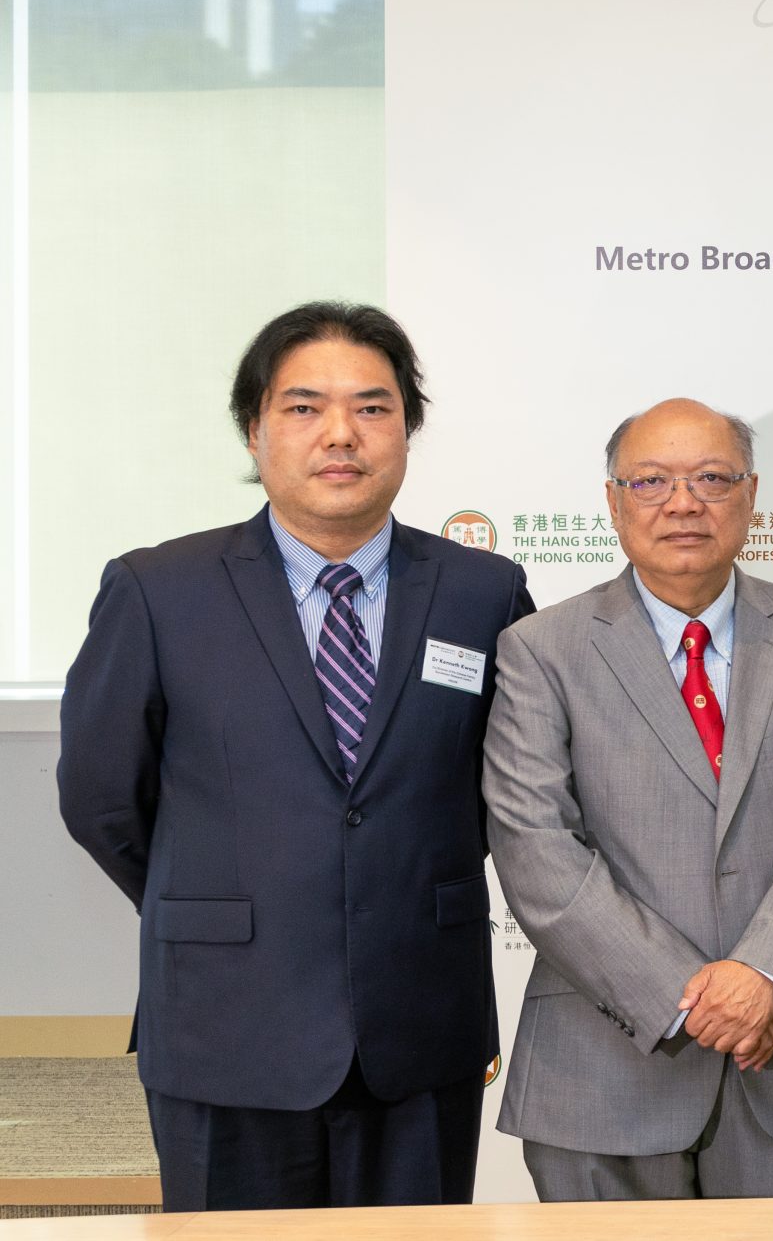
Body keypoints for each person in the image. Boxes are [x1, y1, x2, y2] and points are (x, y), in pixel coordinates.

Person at [56, 302, 533, 1210]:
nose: (341, 435)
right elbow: (101, 799)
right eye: (305, 407)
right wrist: (218, 895)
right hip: (225, 1021)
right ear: (256, 429)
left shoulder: (484, 591)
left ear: (408, 428)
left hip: (420, 1018)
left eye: (374, 407)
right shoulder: (159, 589)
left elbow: (505, 788)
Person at [482, 398, 773, 1200]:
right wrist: (691, 997)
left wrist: (764, 976)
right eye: (651, 481)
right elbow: (535, 843)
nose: (682, 503)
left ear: (750, 494)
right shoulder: (541, 650)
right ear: (612, 500)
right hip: (604, 1067)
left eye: (711, 478)